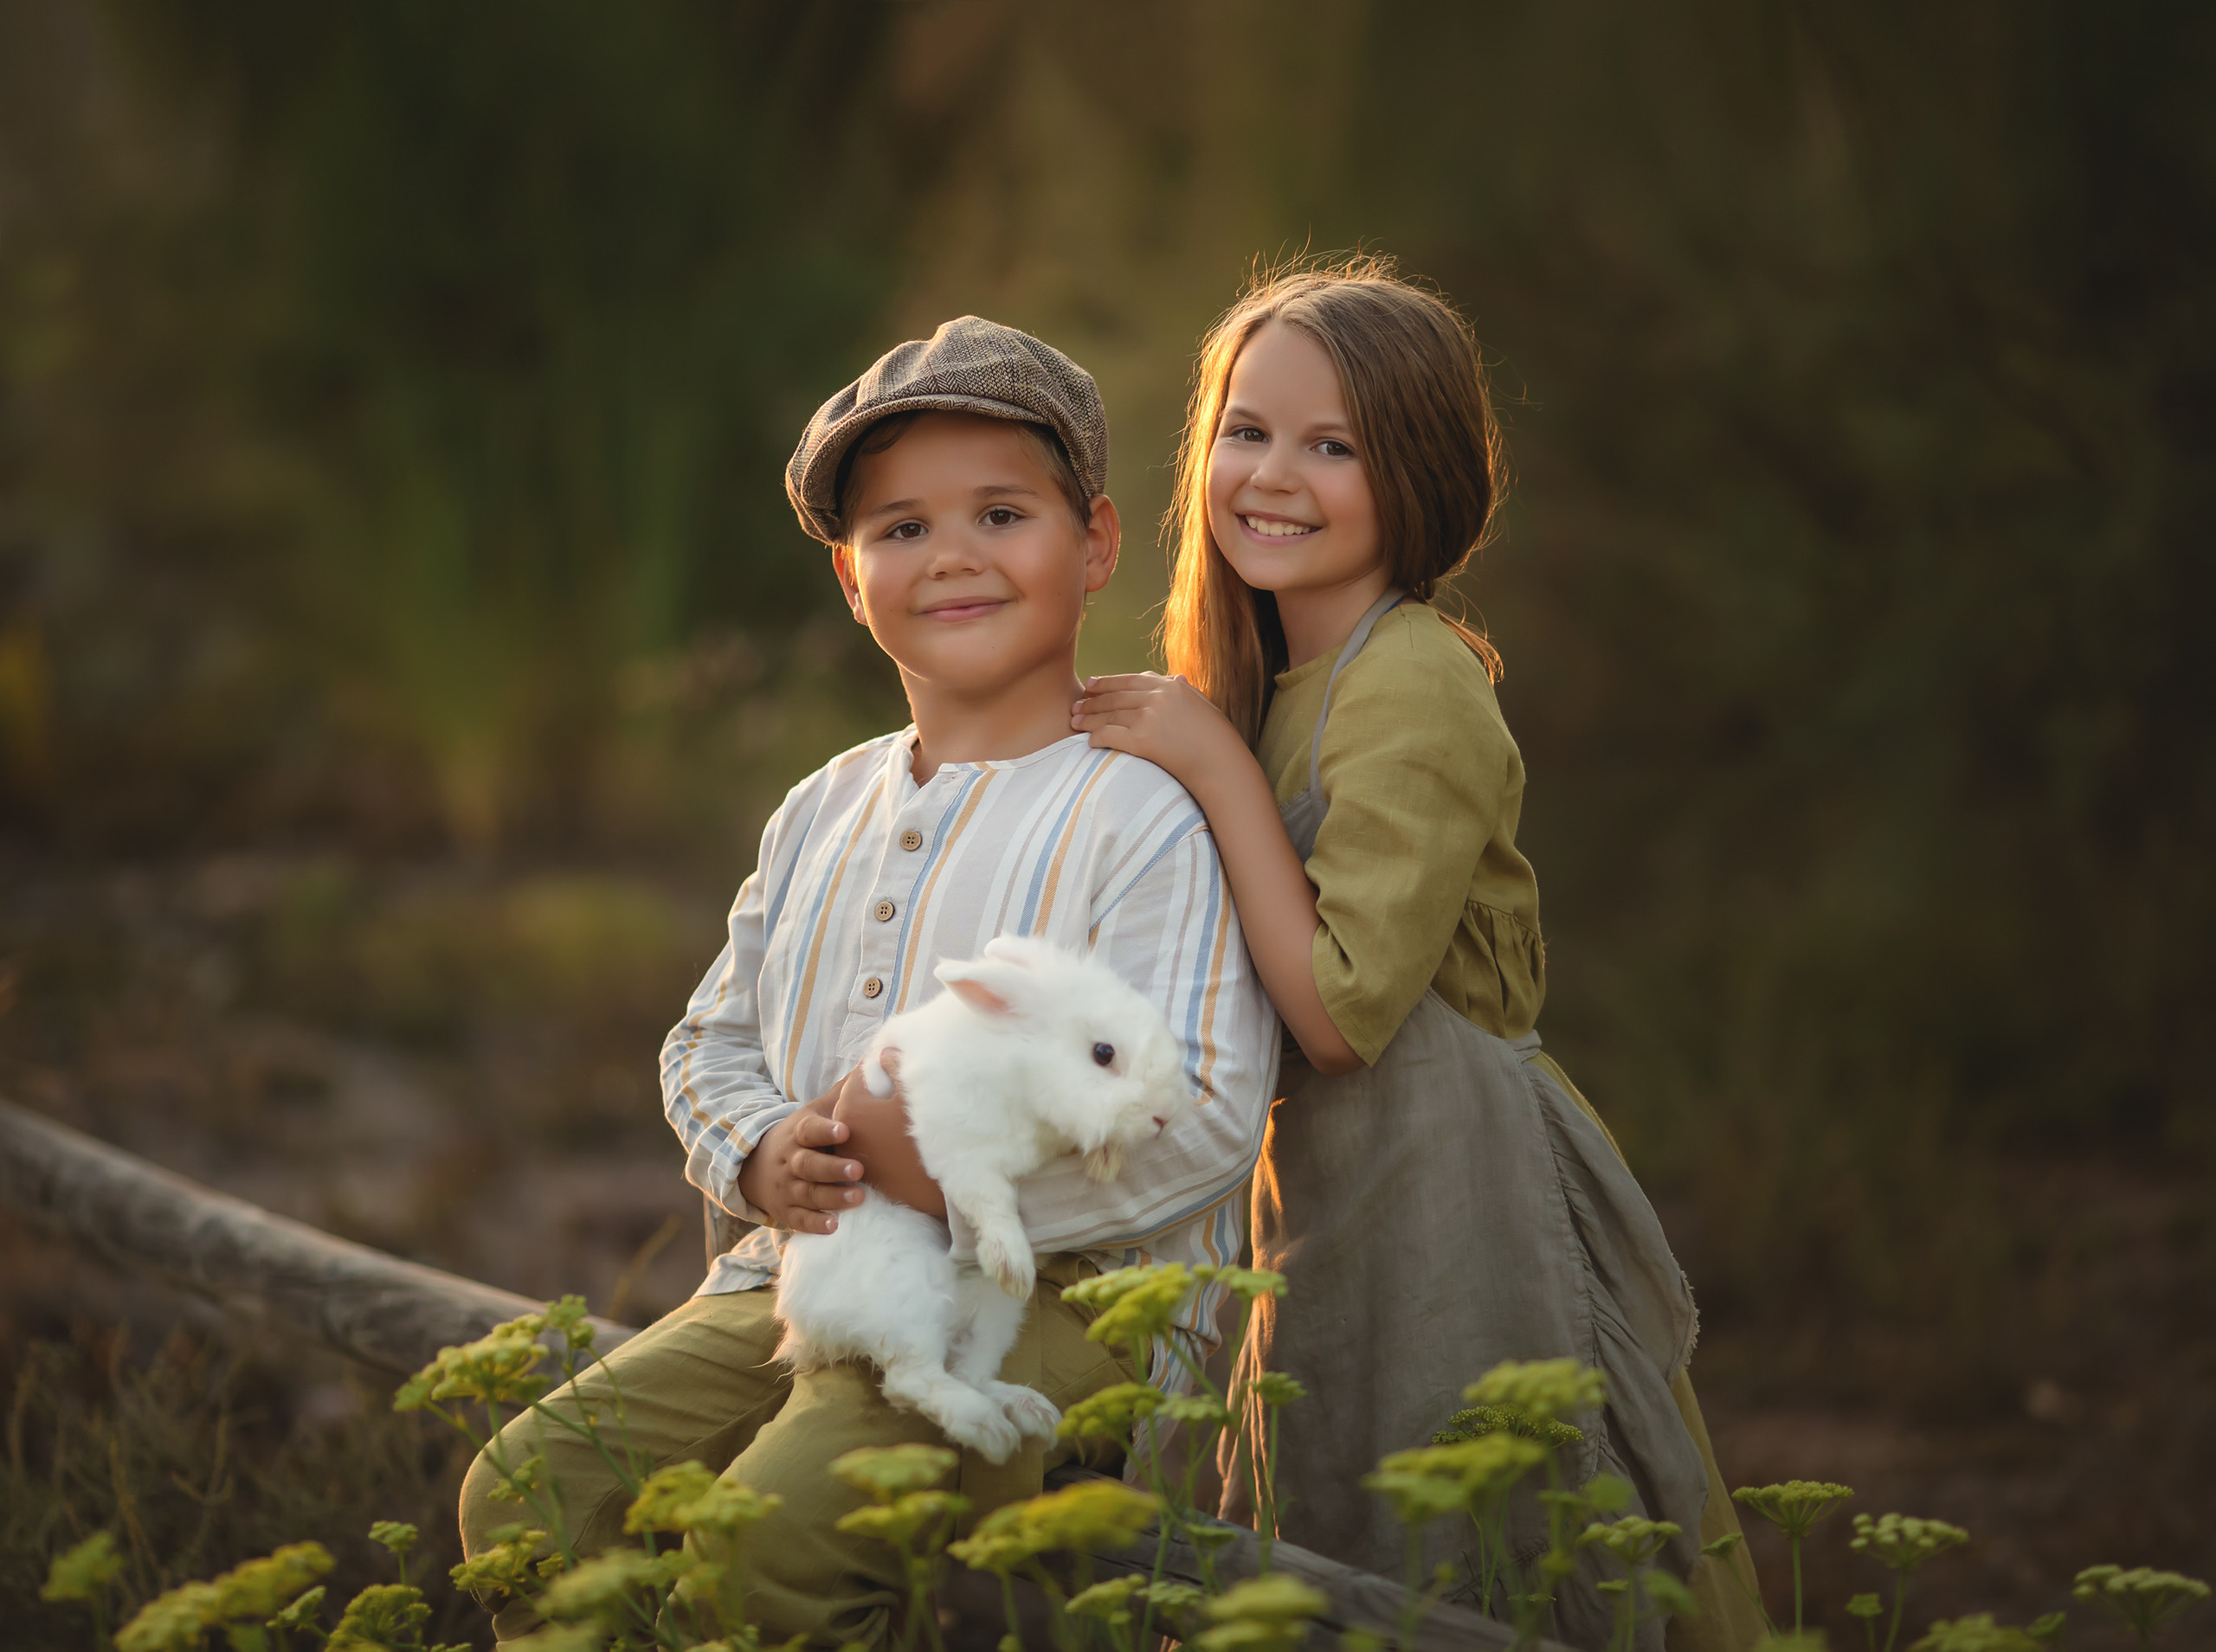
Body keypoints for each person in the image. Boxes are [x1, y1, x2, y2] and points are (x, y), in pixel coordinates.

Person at [457, 317, 1279, 1647]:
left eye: (1000, 512)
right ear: (850, 579)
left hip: (1054, 1294)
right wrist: (762, 1148)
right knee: (532, 1488)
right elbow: (707, 1038)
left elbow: (1213, 1109)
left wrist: (934, 1172)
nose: (948, 554)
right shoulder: (822, 805)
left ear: (1098, 543)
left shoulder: (1141, 814)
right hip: (808, 1279)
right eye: (898, 529)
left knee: (765, 1548)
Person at [1072, 260, 1767, 1652]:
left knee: (1474, 1555)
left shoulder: (1415, 675)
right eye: (1248, 430)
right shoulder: (1263, 684)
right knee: (1325, 1539)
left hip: (1454, 1182)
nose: (1275, 474)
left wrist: (1207, 762)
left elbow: (1338, 1011)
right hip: (1320, 1188)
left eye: (1335, 446)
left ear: (1421, 476)